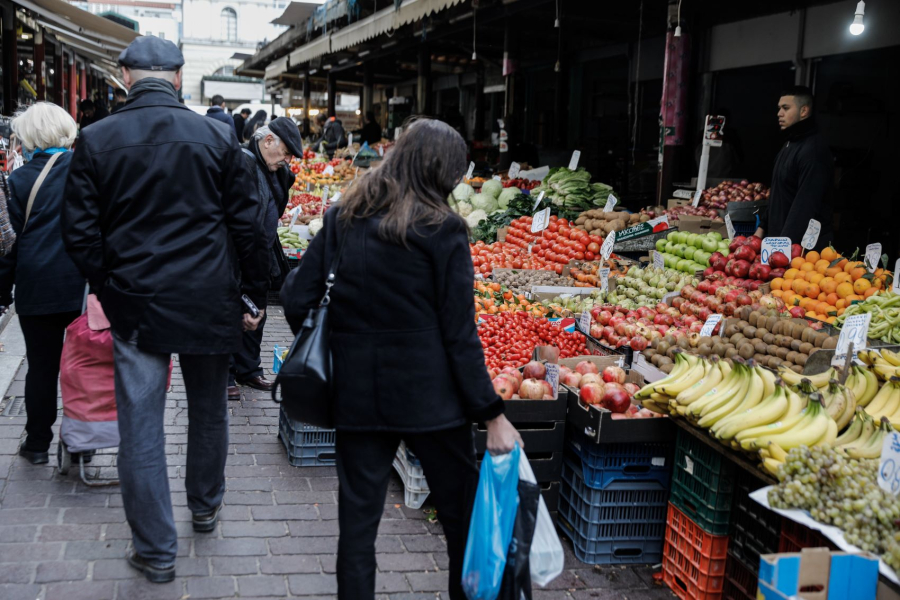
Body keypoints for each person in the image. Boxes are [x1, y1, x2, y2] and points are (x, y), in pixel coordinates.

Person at [281, 118, 522, 600]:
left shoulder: (344, 218)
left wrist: (340, 344)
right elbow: (459, 335)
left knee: (357, 527)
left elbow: (296, 297)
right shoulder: (443, 228)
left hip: (358, 396)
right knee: (460, 521)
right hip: (432, 401)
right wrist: (492, 413)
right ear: (440, 172)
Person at [62, 36, 270, 584]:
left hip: (136, 300)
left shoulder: (97, 138)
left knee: (141, 425)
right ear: (178, 77)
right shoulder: (218, 136)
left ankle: (156, 550)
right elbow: (248, 224)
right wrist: (252, 290)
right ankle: (205, 505)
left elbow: (79, 232)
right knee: (209, 409)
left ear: (126, 77)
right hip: (208, 295)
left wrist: (107, 284)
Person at [0, 103, 85, 465]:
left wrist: (3, 293)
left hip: (36, 286)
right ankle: (81, 443)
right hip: (81, 285)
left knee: (41, 367)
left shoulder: (17, 181)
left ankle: (37, 444)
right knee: (84, 365)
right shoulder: (87, 172)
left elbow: (8, 246)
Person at [228, 117, 302, 399]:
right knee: (236, 308)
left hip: (263, 250)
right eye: (286, 153)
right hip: (238, 252)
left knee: (257, 308)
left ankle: (249, 369)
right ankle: (227, 373)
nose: (287, 160)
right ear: (268, 140)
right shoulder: (242, 164)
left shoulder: (277, 170)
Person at [755, 86, 833, 248]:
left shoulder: (813, 151)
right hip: (780, 244)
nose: (779, 113)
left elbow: (804, 206)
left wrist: (782, 247)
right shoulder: (789, 144)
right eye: (779, 108)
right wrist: (761, 229)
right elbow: (778, 194)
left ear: (804, 111)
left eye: (785, 108)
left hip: (801, 251)